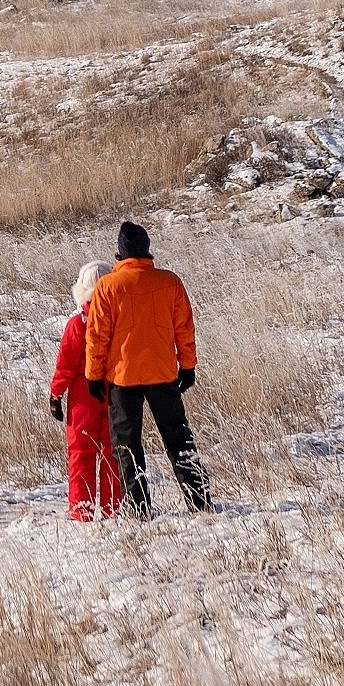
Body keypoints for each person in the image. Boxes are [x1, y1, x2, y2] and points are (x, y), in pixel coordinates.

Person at [82, 221, 212, 516]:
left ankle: (139, 508)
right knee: (179, 438)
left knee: (127, 444)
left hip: (122, 378)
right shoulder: (170, 282)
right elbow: (184, 329)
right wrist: (187, 366)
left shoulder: (107, 286)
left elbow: (97, 336)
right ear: (147, 251)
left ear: (120, 255)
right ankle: (199, 501)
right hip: (163, 373)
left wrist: (93, 375)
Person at [48, 260, 122, 520]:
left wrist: (56, 395)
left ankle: (82, 512)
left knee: (81, 455)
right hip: (114, 393)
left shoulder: (76, 325)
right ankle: (114, 510)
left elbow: (65, 366)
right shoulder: (119, 322)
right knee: (113, 454)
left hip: (82, 397)